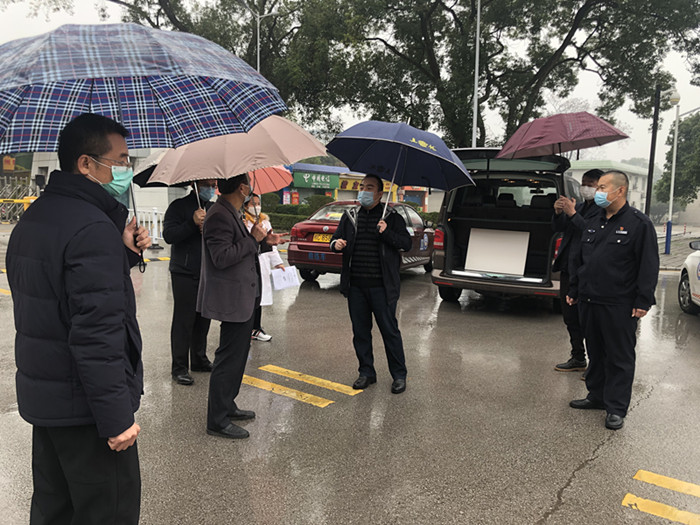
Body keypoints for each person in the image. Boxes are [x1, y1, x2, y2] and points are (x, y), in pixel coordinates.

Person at [6, 113, 151, 524]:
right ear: (86, 163)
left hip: (49, 402)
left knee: (54, 510)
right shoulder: (91, 228)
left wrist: (122, 253)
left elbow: (56, 295)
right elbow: (96, 334)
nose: (125, 169)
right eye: (120, 160)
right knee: (108, 512)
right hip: (88, 411)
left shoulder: (35, 217)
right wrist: (116, 419)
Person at [566, 170, 659, 430]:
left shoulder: (638, 223)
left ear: (620, 191)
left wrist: (643, 300)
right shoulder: (594, 221)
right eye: (597, 187)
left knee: (619, 356)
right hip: (589, 299)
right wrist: (574, 289)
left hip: (619, 303)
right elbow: (581, 259)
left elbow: (648, 264)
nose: (597, 192)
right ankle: (596, 396)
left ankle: (616, 407)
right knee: (595, 352)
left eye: (603, 187)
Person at [197, 174, 285, 439]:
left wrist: (264, 243)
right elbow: (222, 257)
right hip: (232, 298)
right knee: (228, 359)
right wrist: (252, 239)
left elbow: (240, 249)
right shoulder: (219, 215)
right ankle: (217, 420)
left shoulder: (231, 212)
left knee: (237, 357)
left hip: (243, 297)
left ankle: (227, 405)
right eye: (250, 185)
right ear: (243, 187)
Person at [330, 174, 412, 394]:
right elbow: (335, 239)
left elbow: (406, 243)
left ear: (379, 193)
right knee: (360, 332)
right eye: (362, 186)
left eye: (369, 187)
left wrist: (387, 233)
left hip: (382, 287)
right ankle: (366, 372)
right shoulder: (350, 216)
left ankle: (399, 375)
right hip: (356, 286)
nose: (363, 191)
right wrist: (335, 244)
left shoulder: (392, 218)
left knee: (389, 332)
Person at [163, 179, 218, 385]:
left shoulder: (213, 208)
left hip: (208, 271)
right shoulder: (178, 207)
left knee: (204, 318)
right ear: (195, 184)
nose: (210, 188)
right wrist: (191, 224)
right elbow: (169, 235)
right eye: (207, 184)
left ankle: (199, 359)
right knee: (184, 320)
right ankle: (179, 367)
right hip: (184, 272)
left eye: (213, 184)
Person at [552, 169, 603, 374]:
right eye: (584, 183)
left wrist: (573, 214)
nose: (585, 188)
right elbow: (560, 228)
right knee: (570, 317)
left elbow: (591, 233)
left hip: (587, 270)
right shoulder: (579, 206)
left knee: (589, 320)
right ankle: (578, 357)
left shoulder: (603, 211)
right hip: (568, 268)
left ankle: (596, 365)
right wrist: (558, 212)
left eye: (590, 184)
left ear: (600, 187)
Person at [244, 193, 286, 342]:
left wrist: (278, 262)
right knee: (249, 298)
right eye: (252, 203)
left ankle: (256, 328)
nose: (256, 206)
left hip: (262, 264)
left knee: (259, 298)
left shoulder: (265, 222)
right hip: (248, 264)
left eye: (258, 203)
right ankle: (247, 329)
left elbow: (271, 245)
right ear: (245, 205)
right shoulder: (243, 221)